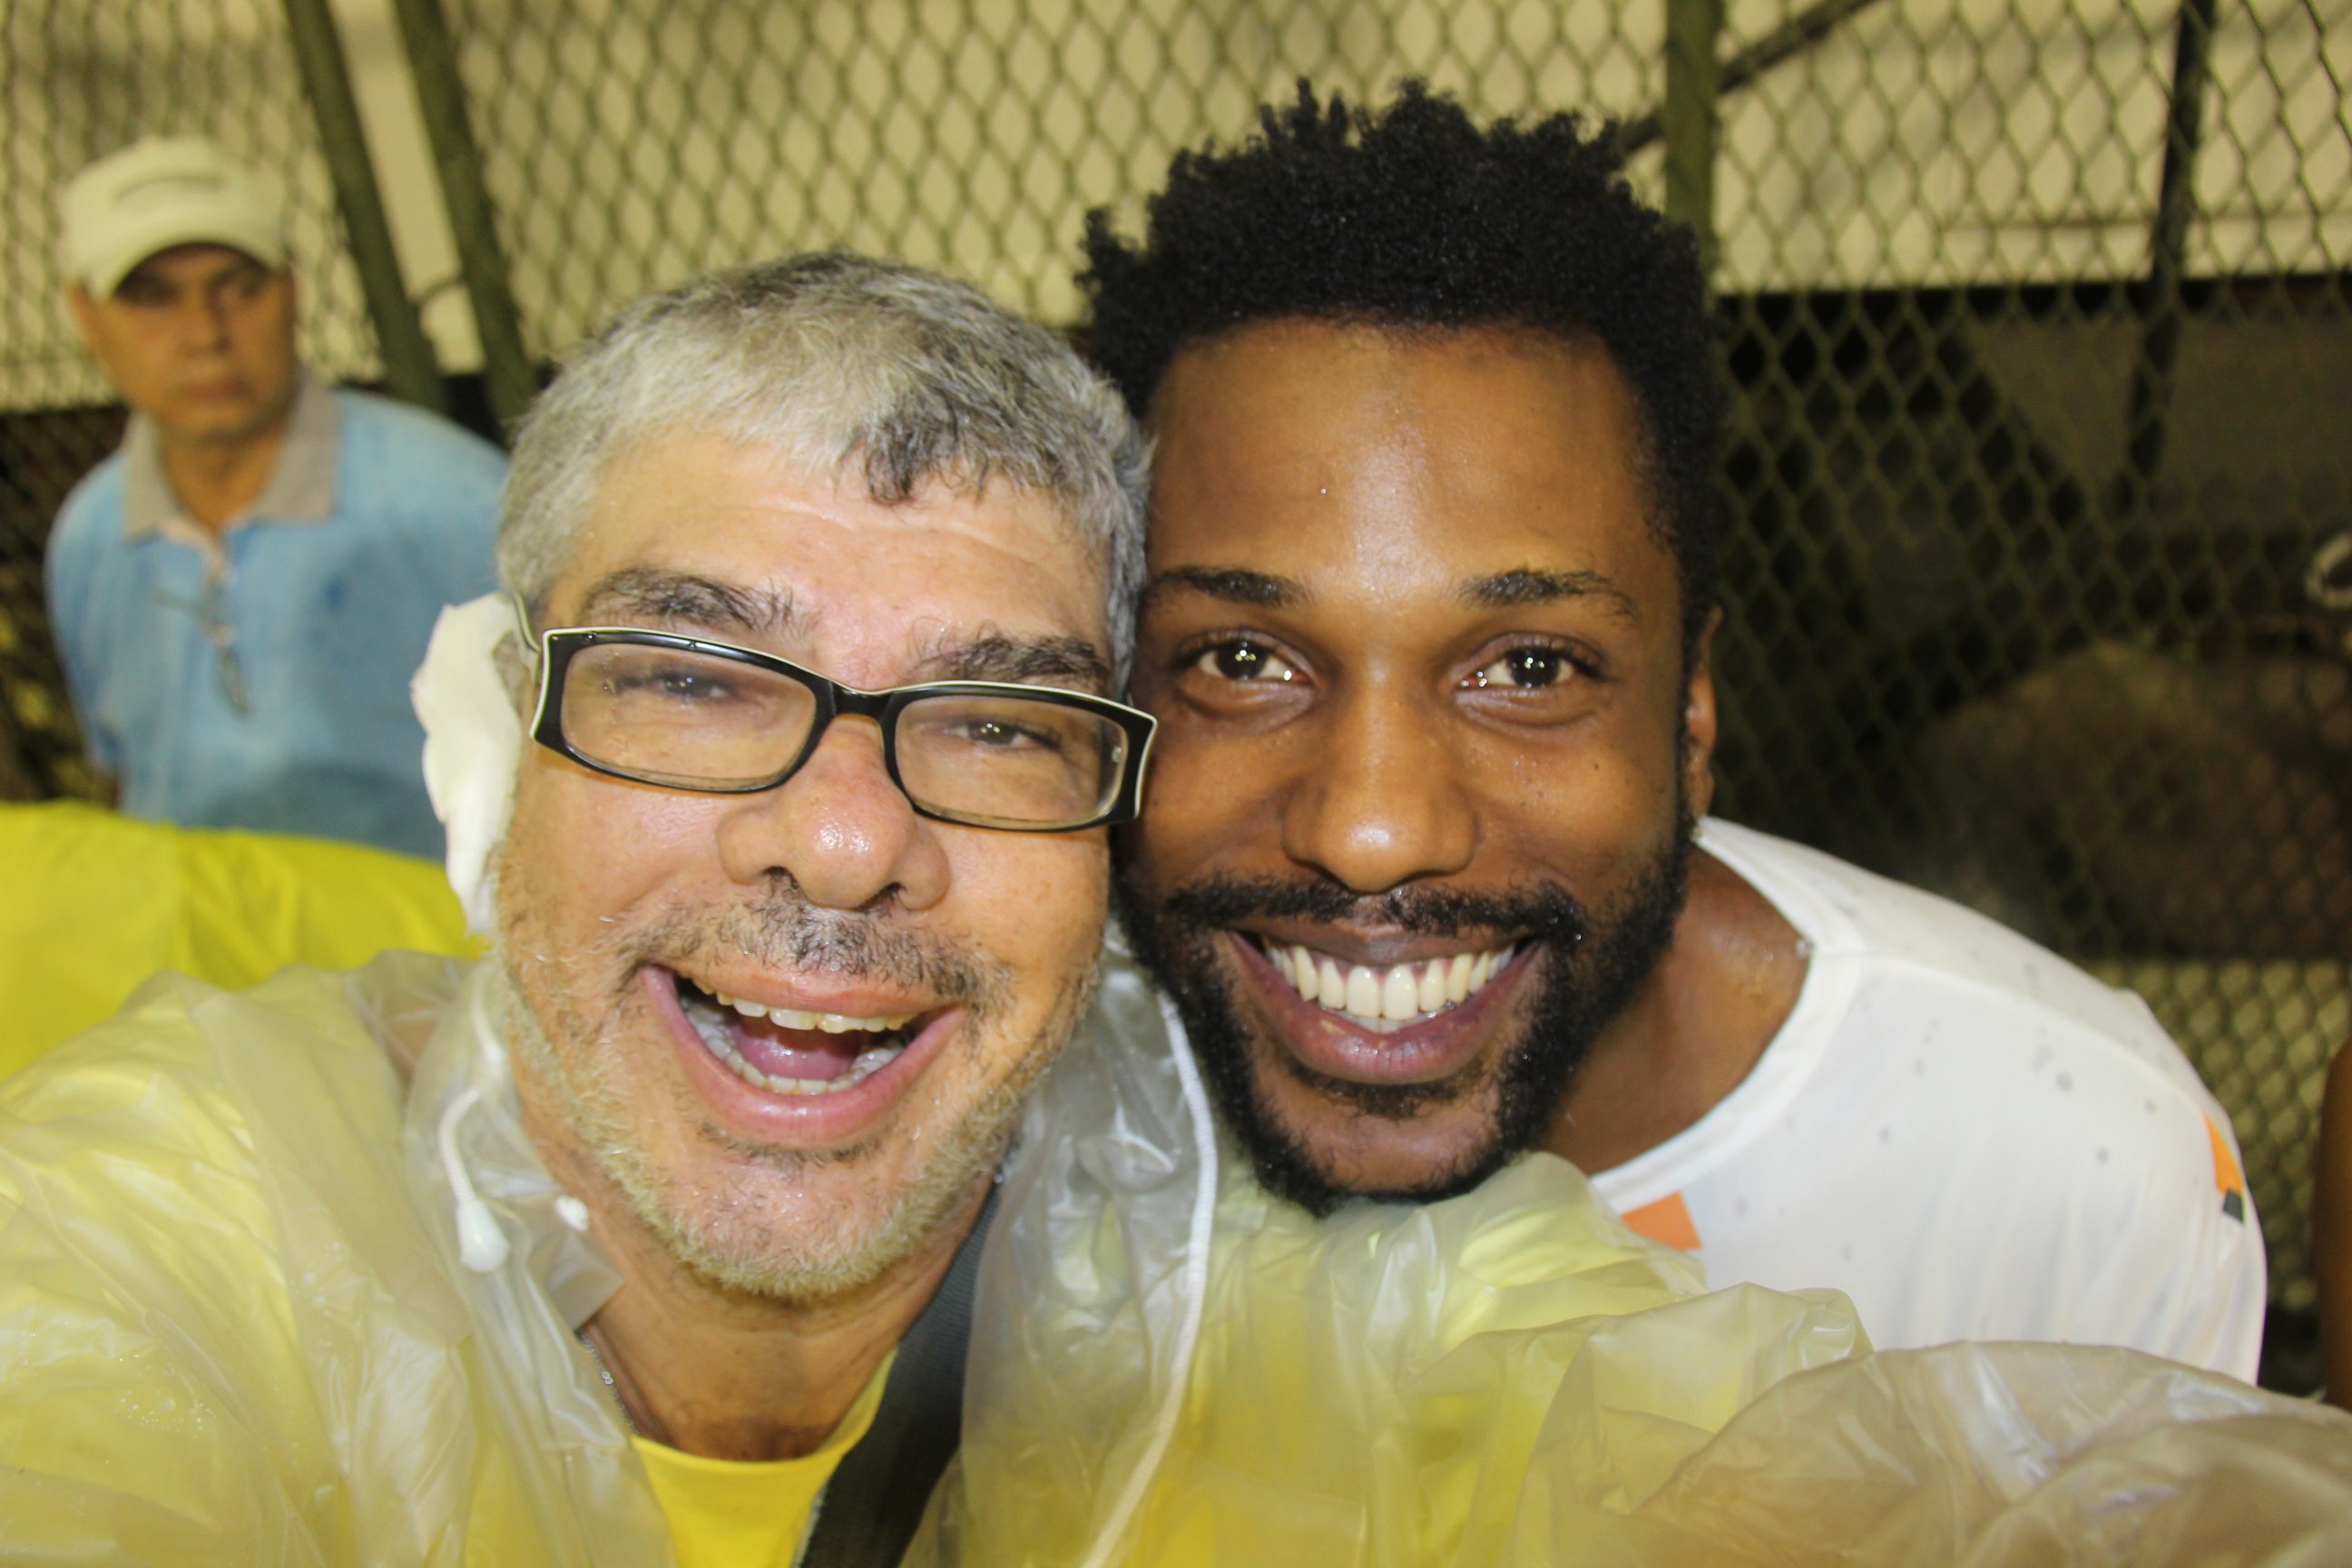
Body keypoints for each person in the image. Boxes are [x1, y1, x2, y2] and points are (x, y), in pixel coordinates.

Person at [1077, 83, 2265, 1377]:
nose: (1371, 831)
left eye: (1528, 668)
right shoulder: (1021, 1094)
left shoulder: (2064, 1192)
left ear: (1691, 712)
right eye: (1242, 661)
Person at [0, 251, 1159, 1564]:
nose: (844, 844)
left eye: (1001, 724)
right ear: (492, 740)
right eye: (692, 682)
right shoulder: (151, 1234)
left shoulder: (1241, 1294)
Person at [46, 135, 506, 859]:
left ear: (292, 288)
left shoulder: (455, 504)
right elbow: (122, 773)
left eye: (238, 288)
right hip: (193, 928)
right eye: (152, 298)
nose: (205, 334)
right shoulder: (91, 535)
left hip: (423, 927)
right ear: (86, 315)